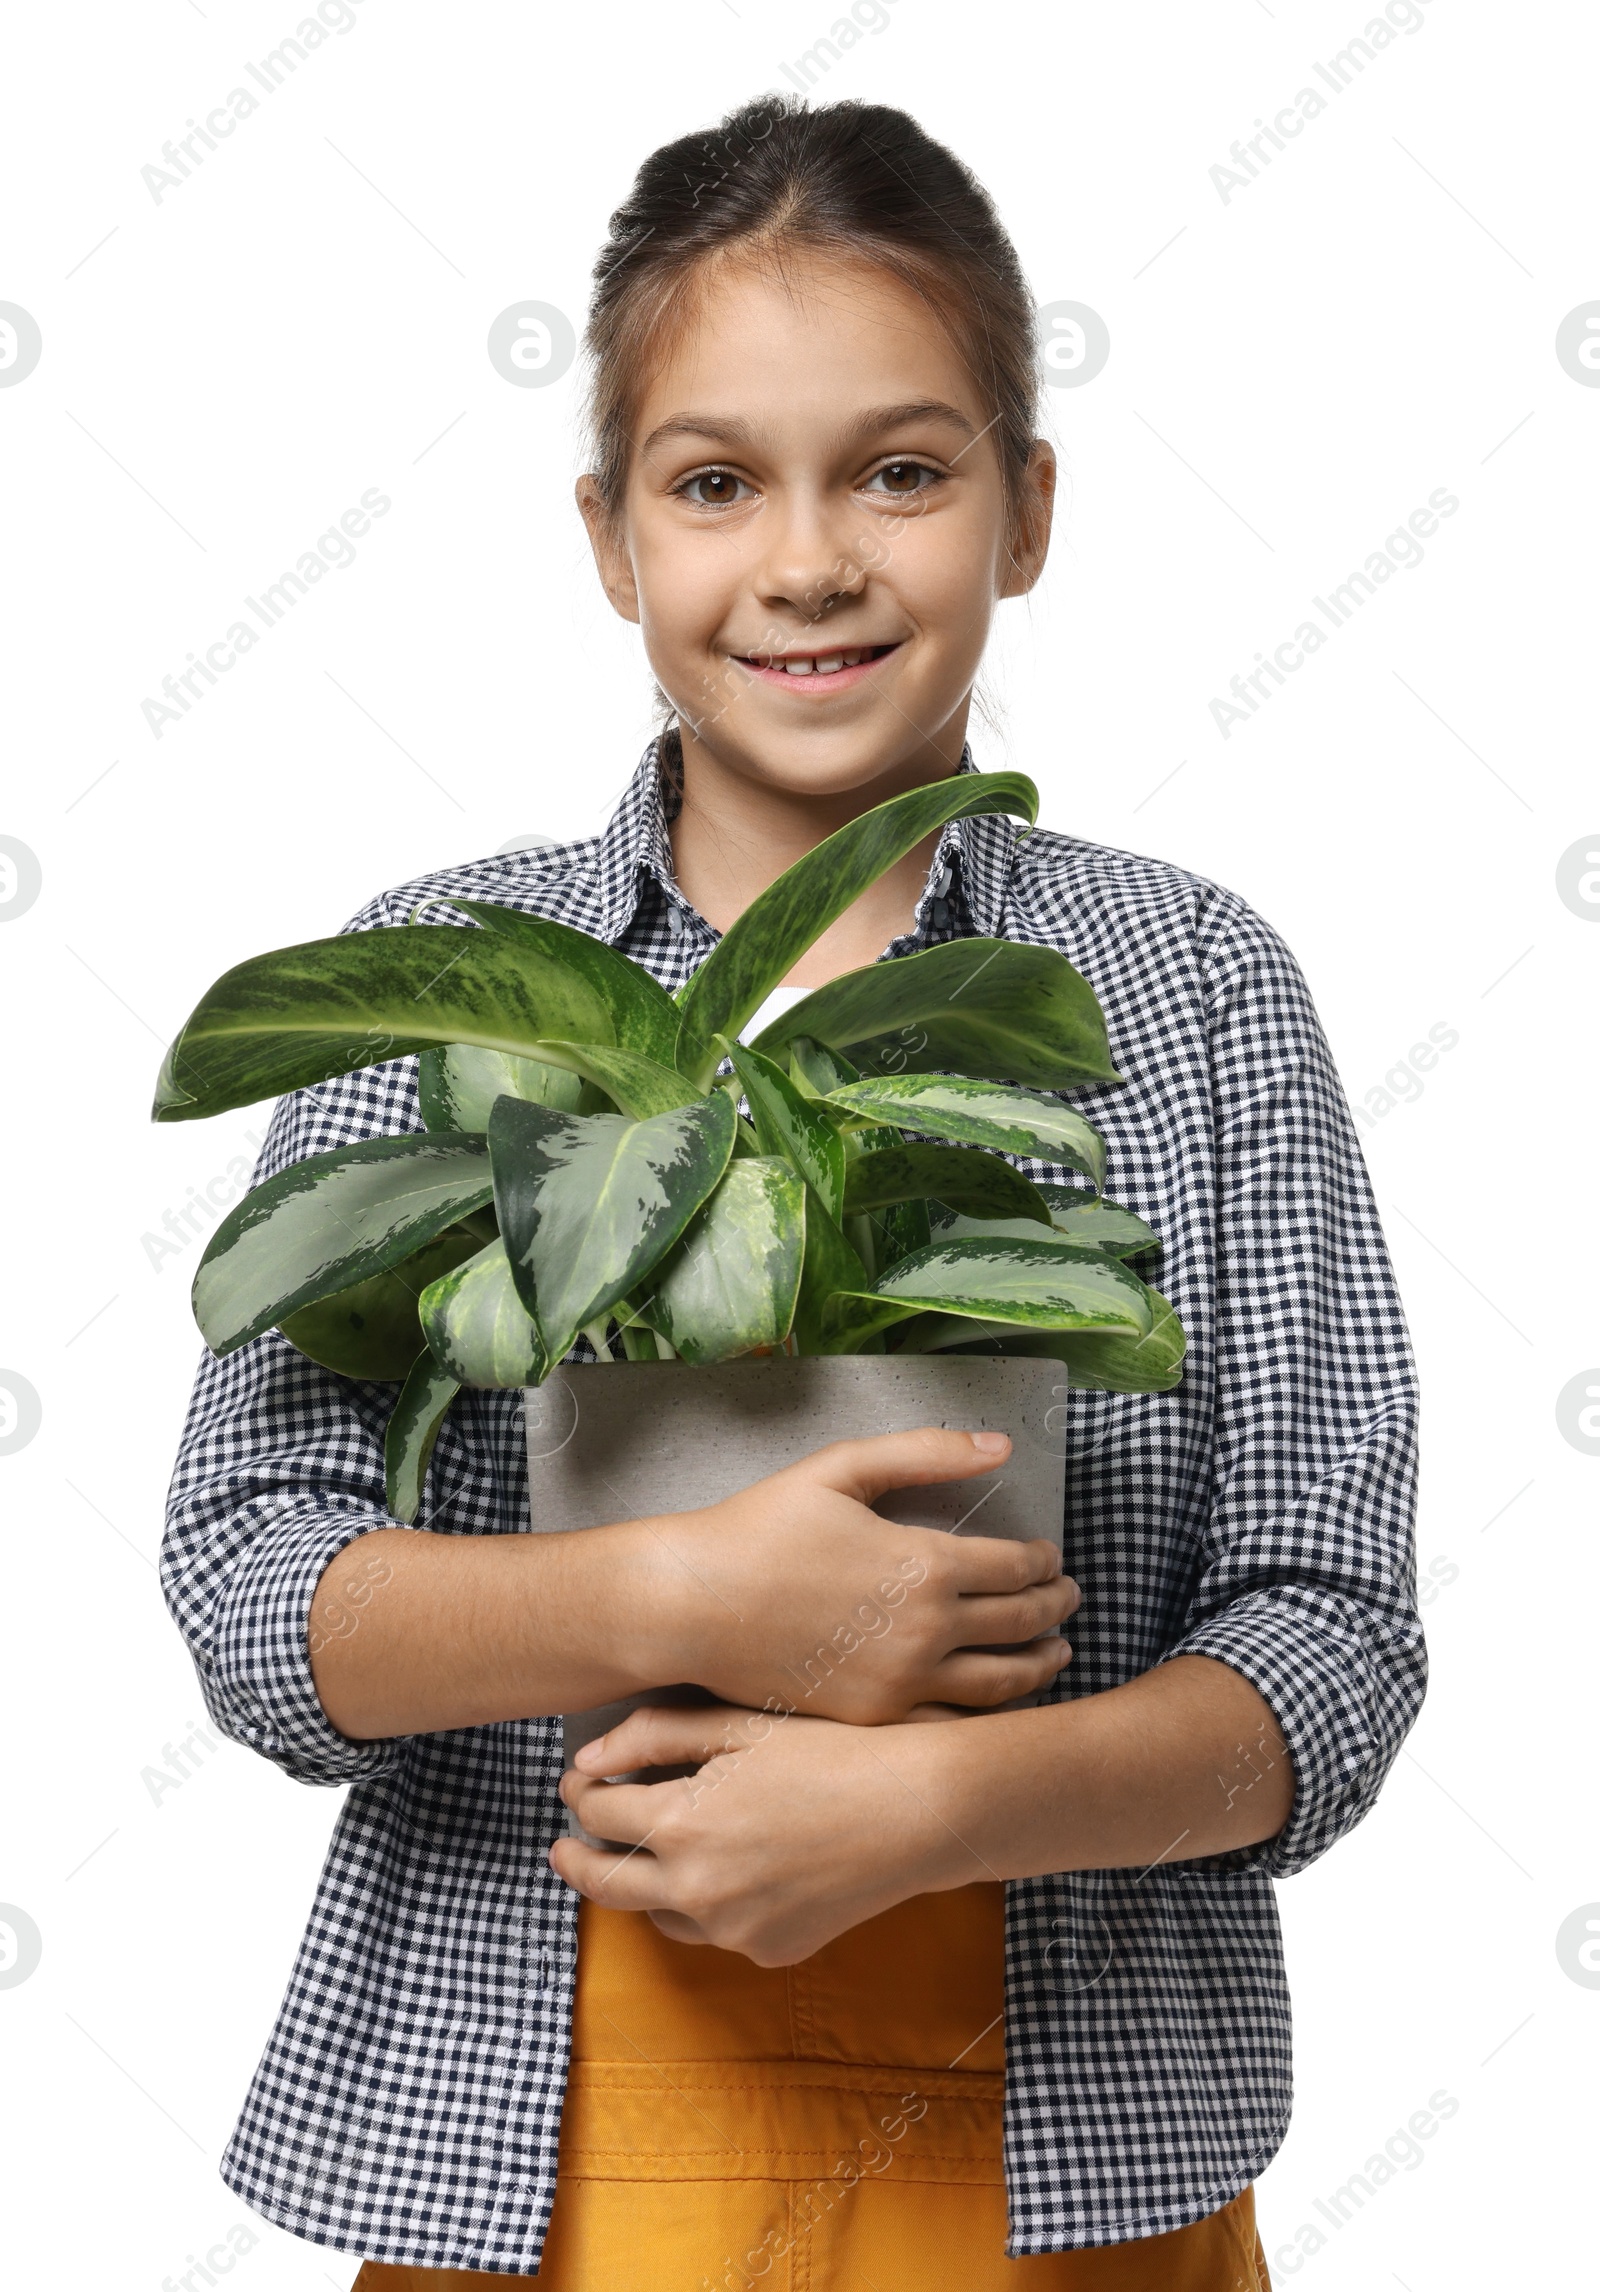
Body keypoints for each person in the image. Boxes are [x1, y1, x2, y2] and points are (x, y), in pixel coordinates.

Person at [161, 96, 1425, 2291]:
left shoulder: (1190, 988)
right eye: (715, 480)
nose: (809, 558)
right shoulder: (470, 989)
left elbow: (1326, 1648)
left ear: (1026, 511)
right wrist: (677, 1598)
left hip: (1065, 2180)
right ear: (608, 535)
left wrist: (940, 1801)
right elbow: (255, 1599)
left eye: (901, 470)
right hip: (538, 2178)